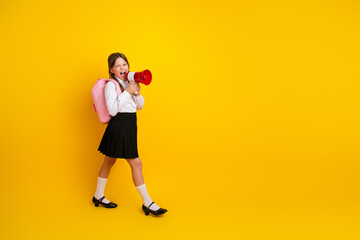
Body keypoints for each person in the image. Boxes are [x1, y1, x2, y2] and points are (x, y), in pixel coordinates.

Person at [92, 52, 167, 216]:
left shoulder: (130, 83)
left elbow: (140, 106)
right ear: (111, 70)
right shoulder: (112, 85)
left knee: (109, 162)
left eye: (124, 64)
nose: (122, 68)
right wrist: (127, 92)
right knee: (136, 163)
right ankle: (147, 203)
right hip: (119, 126)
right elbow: (112, 110)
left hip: (130, 125)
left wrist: (136, 92)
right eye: (117, 66)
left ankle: (98, 196)